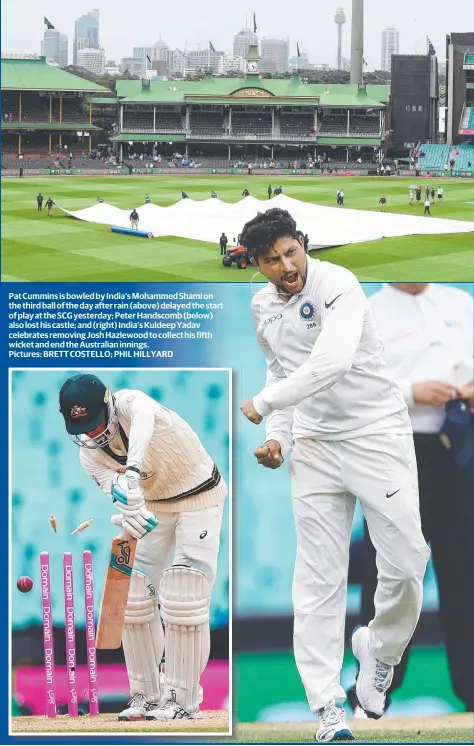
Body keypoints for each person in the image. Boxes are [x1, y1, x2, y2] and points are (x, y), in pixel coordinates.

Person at [238, 208, 429, 743]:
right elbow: (280, 369)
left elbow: (332, 360)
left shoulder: (338, 283)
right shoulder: (261, 306)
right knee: (319, 579)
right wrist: (278, 433)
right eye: (273, 260)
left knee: (408, 562)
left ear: (303, 244)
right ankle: (328, 709)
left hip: (375, 432)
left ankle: (380, 650)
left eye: (291, 251)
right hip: (316, 446)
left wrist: (265, 404)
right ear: (258, 264)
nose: (286, 265)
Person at [58, 374, 227, 721]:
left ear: (108, 403)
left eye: (94, 422)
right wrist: (131, 509)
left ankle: (181, 699)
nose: (91, 434)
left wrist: (132, 471)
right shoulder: (89, 457)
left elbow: (146, 422)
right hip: (158, 506)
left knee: (185, 593)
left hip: (200, 496)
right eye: (82, 427)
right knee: (134, 592)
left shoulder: (133, 403)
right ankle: (146, 695)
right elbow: (119, 492)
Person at [347, 284, 474, 714]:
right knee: (390, 572)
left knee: (467, 573)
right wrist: (411, 390)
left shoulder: (461, 303)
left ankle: (473, 690)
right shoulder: (366, 311)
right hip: (398, 452)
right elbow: (351, 389)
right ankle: (373, 693)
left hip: (461, 448)